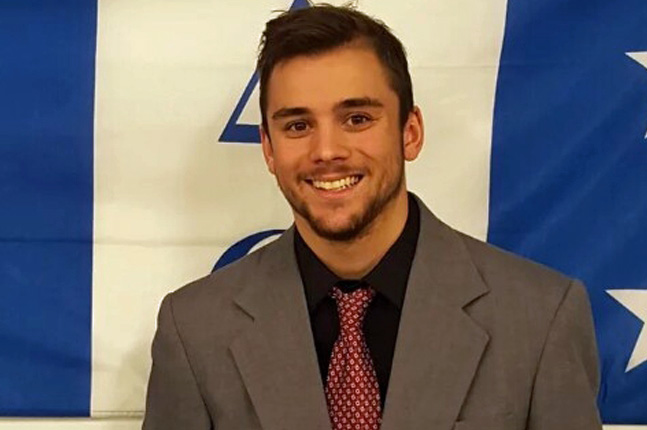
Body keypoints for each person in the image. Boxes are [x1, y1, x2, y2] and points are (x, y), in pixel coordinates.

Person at [142, 4, 603, 430]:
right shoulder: (194, 330)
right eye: (298, 125)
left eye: (357, 119)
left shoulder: (542, 318)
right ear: (268, 148)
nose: (327, 151)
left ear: (410, 132)